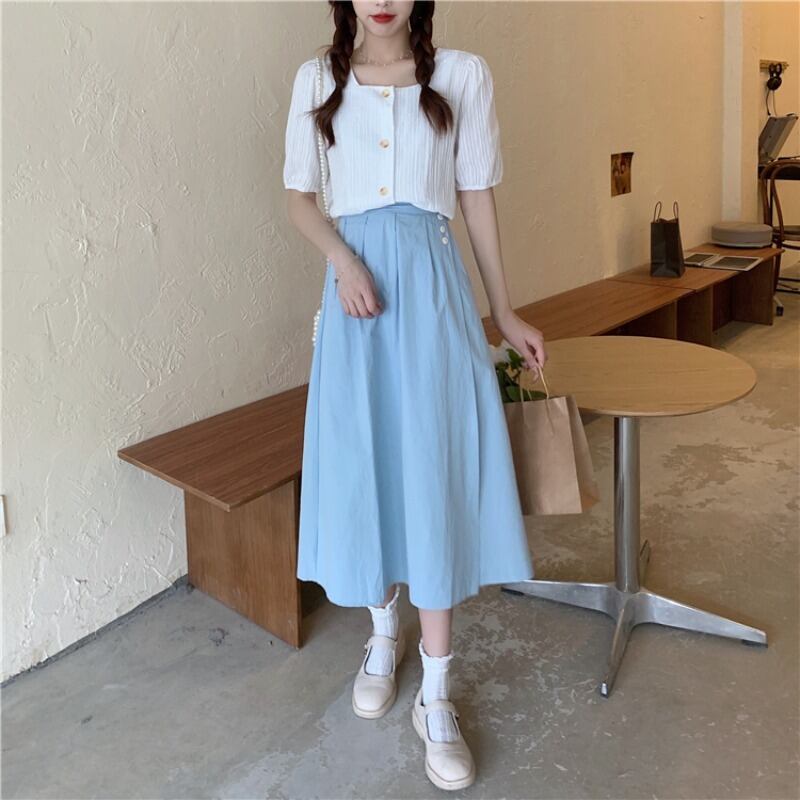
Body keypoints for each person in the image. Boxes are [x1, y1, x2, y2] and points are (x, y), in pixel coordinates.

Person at [283, 0, 547, 791]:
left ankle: (435, 695)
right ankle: (381, 633)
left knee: (431, 478)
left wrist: (504, 311)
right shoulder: (317, 80)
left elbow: (476, 198)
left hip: (433, 297)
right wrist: (342, 261)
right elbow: (299, 197)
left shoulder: (462, 76)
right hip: (356, 299)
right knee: (368, 467)